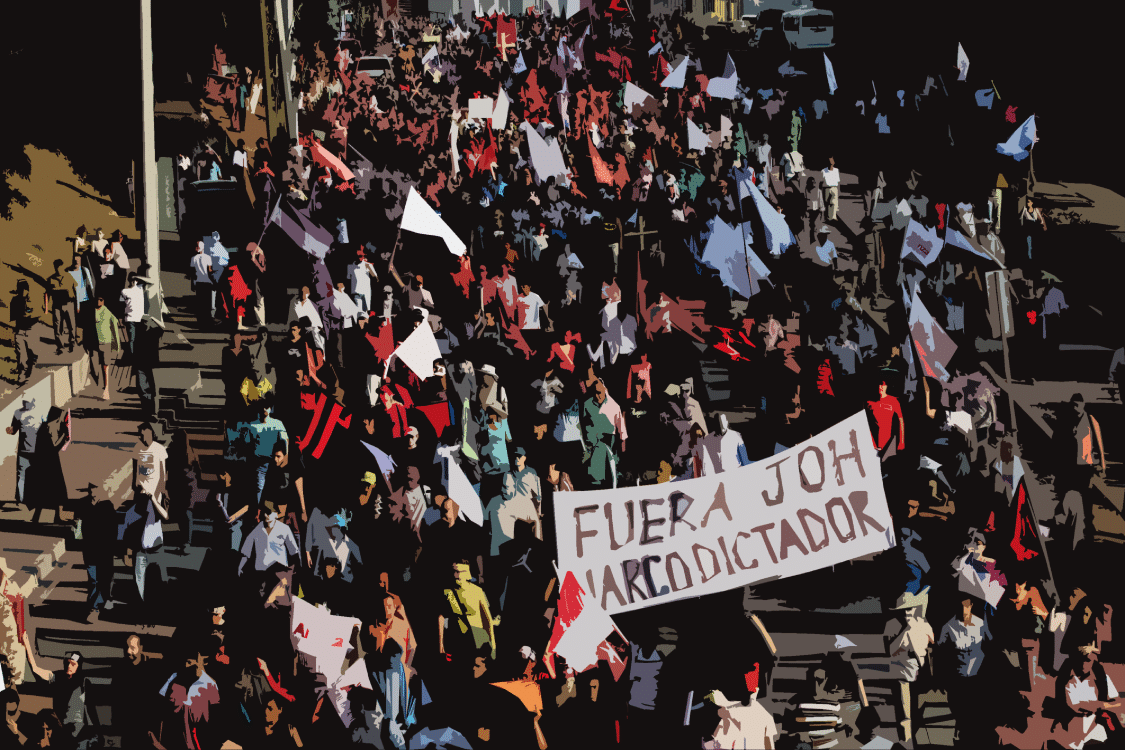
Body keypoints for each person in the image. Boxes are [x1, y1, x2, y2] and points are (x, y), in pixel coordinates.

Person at [938, 597, 992, 742]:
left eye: (966, 606)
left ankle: (970, 735)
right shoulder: (949, 626)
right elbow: (941, 652)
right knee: (958, 708)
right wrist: (941, 677)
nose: (963, 610)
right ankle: (963, 732)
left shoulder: (980, 624)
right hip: (958, 676)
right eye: (960, 606)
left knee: (973, 710)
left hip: (977, 676)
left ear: (971, 606)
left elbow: (990, 645)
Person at [21, 641, 91, 745]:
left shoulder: (82, 683)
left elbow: (87, 707)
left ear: (78, 666)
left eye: (73, 664)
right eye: (67, 662)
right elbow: (36, 670)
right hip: (60, 726)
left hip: (76, 729)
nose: (69, 666)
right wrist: (27, 644)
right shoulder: (57, 677)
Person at [131, 423, 169, 603]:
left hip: (155, 496)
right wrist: (136, 488)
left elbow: (162, 474)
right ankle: (142, 600)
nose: (142, 438)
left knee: (153, 523)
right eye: (140, 435)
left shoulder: (160, 450)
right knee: (141, 523)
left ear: (151, 433)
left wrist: (159, 494)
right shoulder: (137, 449)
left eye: (144, 434)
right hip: (141, 494)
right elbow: (135, 472)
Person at [439, 561, 497, 663]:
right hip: (458, 643)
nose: (458, 575)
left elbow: (487, 620)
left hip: (478, 642)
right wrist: (441, 646)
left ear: (469, 574)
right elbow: (441, 618)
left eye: (463, 571)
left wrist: (493, 645)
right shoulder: (446, 592)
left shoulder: (478, 591)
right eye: (456, 571)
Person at [8, 396, 44, 508]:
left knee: (28, 476)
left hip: (34, 451)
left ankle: (28, 500)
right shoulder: (19, 413)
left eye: (27, 401)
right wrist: (10, 430)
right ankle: (24, 501)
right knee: (24, 476)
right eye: (25, 402)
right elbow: (14, 430)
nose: (26, 404)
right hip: (28, 451)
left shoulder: (39, 412)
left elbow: (13, 430)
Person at [44, 259, 77, 355]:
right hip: (57, 306)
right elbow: (47, 294)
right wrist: (46, 308)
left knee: (71, 325)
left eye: (60, 267)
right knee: (57, 325)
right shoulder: (50, 279)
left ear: (62, 267)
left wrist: (78, 305)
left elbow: (76, 290)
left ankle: (72, 344)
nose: (58, 269)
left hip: (69, 305)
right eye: (56, 267)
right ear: (54, 268)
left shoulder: (69, 277)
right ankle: (60, 346)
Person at [91, 296, 121, 401]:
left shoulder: (106, 311)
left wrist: (115, 344)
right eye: (97, 300)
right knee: (96, 365)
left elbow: (115, 323)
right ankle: (101, 384)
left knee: (105, 366)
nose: (99, 302)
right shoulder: (91, 310)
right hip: (94, 343)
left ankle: (107, 388)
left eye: (101, 300)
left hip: (105, 342)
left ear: (103, 301)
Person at [9, 279, 37, 385]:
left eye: (24, 290)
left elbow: (38, 315)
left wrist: (29, 312)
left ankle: (29, 373)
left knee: (31, 355)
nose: (22, 292)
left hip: (31, 331)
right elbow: (12, 317)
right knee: (22, 356)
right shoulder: (14, 301)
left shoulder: (32, 300)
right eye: (20, 290)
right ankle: (21, 376)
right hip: (19, 331)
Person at [189, 240, 217, 324]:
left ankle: (200, 319)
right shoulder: (208, 257)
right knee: (207, 303)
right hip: (207, 282)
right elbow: (209, 271)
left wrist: (192, 284)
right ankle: (208, 320)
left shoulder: (193, 258)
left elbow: (192, 273)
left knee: (200, 302)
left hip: (198, 282)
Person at [120, 274, 145, 361]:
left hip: (135, 318)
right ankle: (133, 357)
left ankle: (133, 356)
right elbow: (121, 304)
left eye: (134, 280)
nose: (133, 282)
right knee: (134, 339)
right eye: (132, 280)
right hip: (133, 318)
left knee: (134, 339)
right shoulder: (126, 291)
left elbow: (121, 304)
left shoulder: (138, 288)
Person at [1020, 196, 1047, 260]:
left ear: (1032, 203)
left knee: (1036, 243)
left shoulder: (1035, 209)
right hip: (1028, 227)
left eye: (1029, 202)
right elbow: (1020, 218)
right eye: (1027, 202)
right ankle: (1030, 258)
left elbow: (1040, 219)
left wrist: (1042, 225)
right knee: (1029, 243)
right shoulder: (1025, 209)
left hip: (1035, 227)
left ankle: (1036, 256)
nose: (1027, 203)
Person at [822, 156, 840, 222]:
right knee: (827, 203)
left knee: (834, 203)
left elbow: (838, 180)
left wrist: (838, 190)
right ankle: (828, 217)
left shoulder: (836, 170)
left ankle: (833, 217)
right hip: (826, 188)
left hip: (834, 188)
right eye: (829, 161)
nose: (830, 163)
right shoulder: (823, 171)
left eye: (831, 161)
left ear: (833, 162)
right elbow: (821, 180)